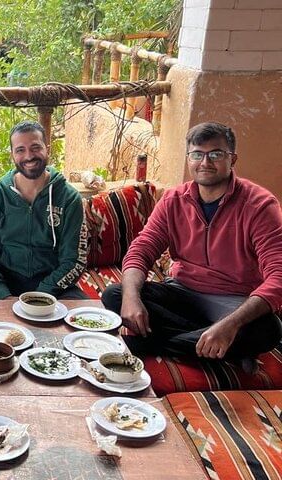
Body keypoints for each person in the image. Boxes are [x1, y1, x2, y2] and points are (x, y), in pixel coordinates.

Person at [101, 122, 282, 371]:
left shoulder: (259, 206)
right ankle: (214, 346)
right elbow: (141, 250)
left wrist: (230, 325)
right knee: (116, 295)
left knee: (269, 330)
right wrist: (131, 299)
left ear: (232, 159)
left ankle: (148, 345)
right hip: (184, 296)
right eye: (197, 154)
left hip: (235, 303)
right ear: (189, 158)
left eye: (215, 154)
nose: (205, 162)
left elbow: (278, 276)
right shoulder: (174, 200)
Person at [0, 120, 88, 300]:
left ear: (48, 149)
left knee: (85, 315)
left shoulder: (69, 198)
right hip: (3, 278)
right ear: (12, 155)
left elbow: (74, 260)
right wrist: (3, 295)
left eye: (35, 147)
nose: (29, 156)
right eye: (20, 150)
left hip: (51, 283)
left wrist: (41, 296)